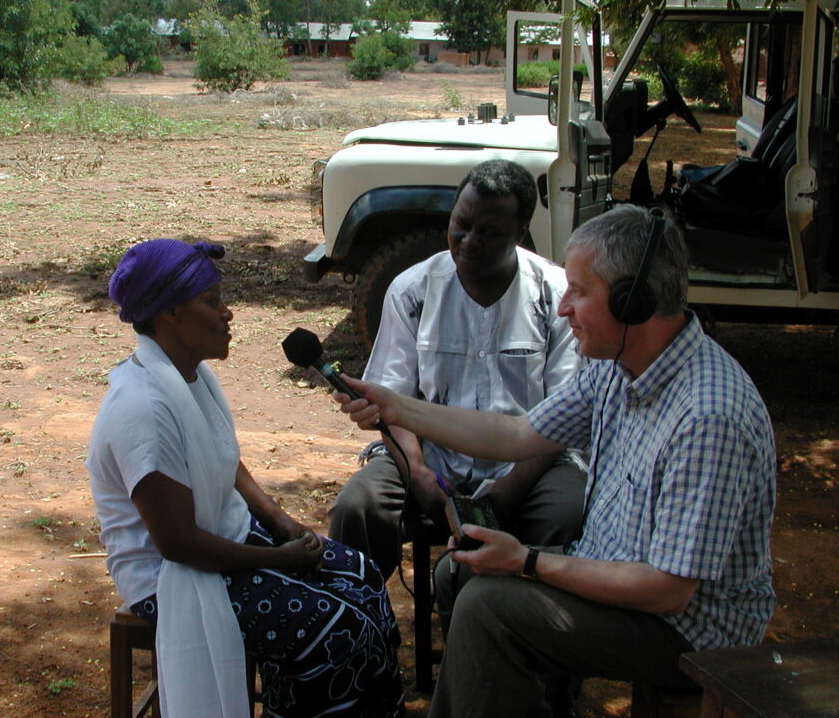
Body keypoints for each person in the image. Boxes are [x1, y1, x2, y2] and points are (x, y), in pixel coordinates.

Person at [334, 205, 777, 718]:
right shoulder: (619, 367)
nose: (564, 308)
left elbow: (667, 591)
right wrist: (397, 405)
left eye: (580, 292)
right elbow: (518, 433)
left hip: (687, 628)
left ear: (635, 301)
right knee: (459, 575)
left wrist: (526, 561)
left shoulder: (707, 416)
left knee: (489, 609)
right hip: (623, 576)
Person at [85, 239, 404, 718]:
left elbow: (222, 456)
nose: (228, 314)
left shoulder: (188, 375)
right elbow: (178, 544)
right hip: (169, 578)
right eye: (213, 303)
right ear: (170, 314)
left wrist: (280, 520)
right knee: (340, 629)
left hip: (224, 534)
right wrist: (276, 558)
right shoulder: (144, 410)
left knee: (364, 578)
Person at [328, 158, 586, 583]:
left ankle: (512, 629)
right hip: (430, 460)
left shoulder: (556, 296)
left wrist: (508, 491)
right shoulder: (413, 290)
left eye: (489, 232)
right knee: (359, 505)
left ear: (520, 233)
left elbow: (562, 419)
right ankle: (360, 626)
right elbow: (392, 400)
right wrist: (418, 473)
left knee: (567, 513)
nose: (468, 241)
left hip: (530, 464)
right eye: (461, 224)